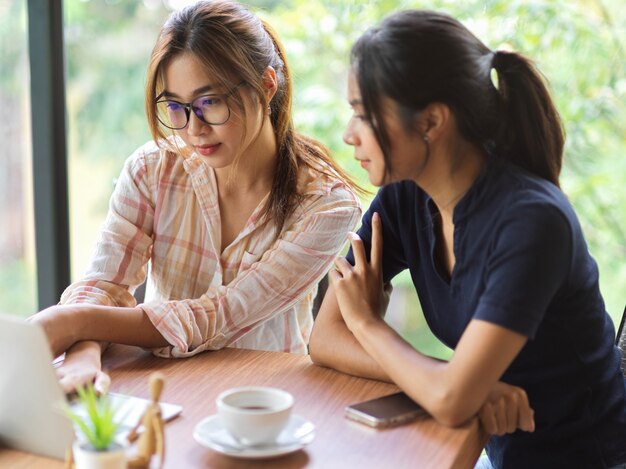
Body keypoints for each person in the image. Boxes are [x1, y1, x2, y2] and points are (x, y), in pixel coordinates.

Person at [308, 9, 626, 469]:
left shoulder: (532, 222)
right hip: (496, 452)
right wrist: (448, 380)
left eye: (363, 113)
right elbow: (324, 340)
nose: (348, 134)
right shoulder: (403, 196)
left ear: (431, 122)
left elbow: (449, 398)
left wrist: (369, 325)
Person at [32, 0, 361, 395]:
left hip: (266, 405)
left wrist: (72, 323)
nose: (193, 128)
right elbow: (107, 283)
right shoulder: (153, 170)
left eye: (211, 103)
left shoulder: (326, 204)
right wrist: (83, 355)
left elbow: (220, 315)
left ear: (267, 85)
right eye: (176, 106)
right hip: (161, 390)